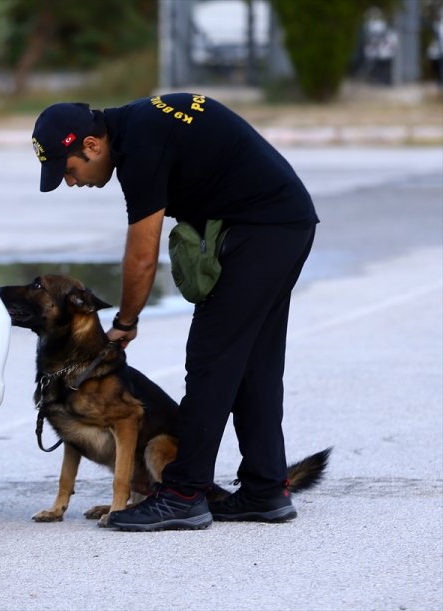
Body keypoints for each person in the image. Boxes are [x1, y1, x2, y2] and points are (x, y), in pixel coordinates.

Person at [31, 94, 318, 532]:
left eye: (69, 171)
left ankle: (183, 494)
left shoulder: (140, 146)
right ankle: (264, 490)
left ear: (91, 145)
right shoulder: (142, 124)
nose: (72, 182)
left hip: (260, 231)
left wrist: (125, 322)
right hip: (285, 224)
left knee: (211, 359)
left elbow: (142, 256)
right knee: (253, 363)